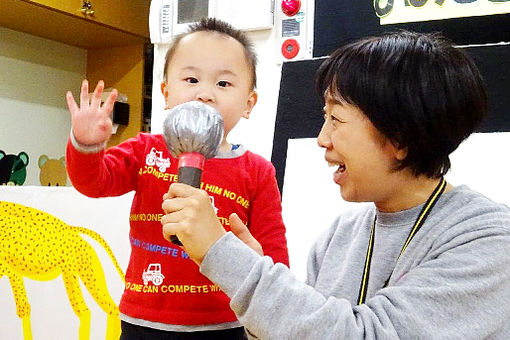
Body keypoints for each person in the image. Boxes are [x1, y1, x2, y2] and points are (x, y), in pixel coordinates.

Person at [161, 31, 510, 339]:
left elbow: (366, 334)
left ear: (400, 136)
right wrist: (252, 275)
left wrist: (227, 259)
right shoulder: (339, 236)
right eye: (323, 118)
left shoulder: (488, 239)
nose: (322, 138)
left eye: (336, 119)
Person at [65, 18, 289, 340]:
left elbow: (274, 257)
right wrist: (86, 145)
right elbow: (94, 182)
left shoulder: (257, 171)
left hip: (223, 324)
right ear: (166, 94)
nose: (205, 95)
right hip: (143, 320)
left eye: (223, 84)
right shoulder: (146, 151)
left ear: (248, 104)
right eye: (191, 79)